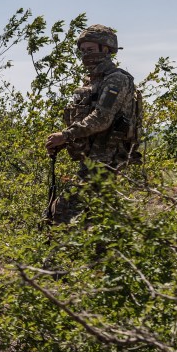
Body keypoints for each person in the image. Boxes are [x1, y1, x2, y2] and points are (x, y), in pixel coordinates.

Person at [44, 24, 141, 223]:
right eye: (82, 51)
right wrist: (65, 141)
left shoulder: (116, 80)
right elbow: (87, 121)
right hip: (92, 160)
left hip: (106, 161)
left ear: (106, 50)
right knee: (91, 218)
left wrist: (66, 135)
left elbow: (101, 119)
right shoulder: (93, 83)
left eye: (90, 50)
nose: (86, 55)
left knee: (66, 212)